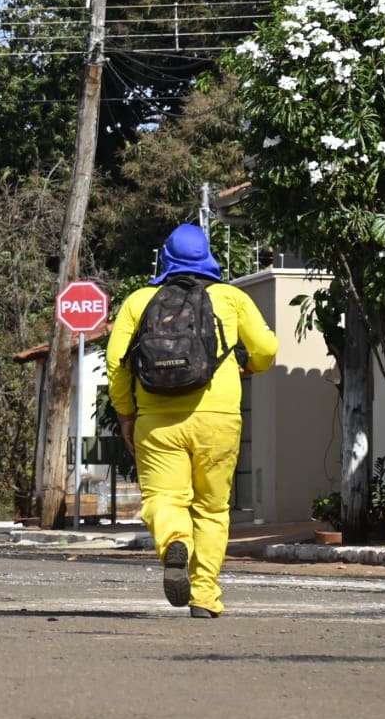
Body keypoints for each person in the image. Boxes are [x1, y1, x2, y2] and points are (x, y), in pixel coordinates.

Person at [106, 222, 278, 618]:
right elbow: (267, 348)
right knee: (212, 508)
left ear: (165, 256)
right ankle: (204, 597)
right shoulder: (230, 297)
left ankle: (174, 543)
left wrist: (126, 415)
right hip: (218, 418)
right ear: (208, 257)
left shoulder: (139, 301)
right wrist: (248, 365)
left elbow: (117, 364)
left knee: (164, 498)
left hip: (156, 420)